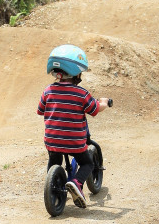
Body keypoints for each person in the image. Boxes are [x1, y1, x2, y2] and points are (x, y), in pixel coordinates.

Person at [37, 45, 110, 209]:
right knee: (88, 163)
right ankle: (76, 182)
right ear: (75, 71)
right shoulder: (82, 94)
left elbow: (40, 111)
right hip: (74, 142)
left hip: (52, 141)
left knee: (54, 159)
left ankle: (53, 184)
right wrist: (103, 103)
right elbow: (94, 109)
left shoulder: (47, 91)